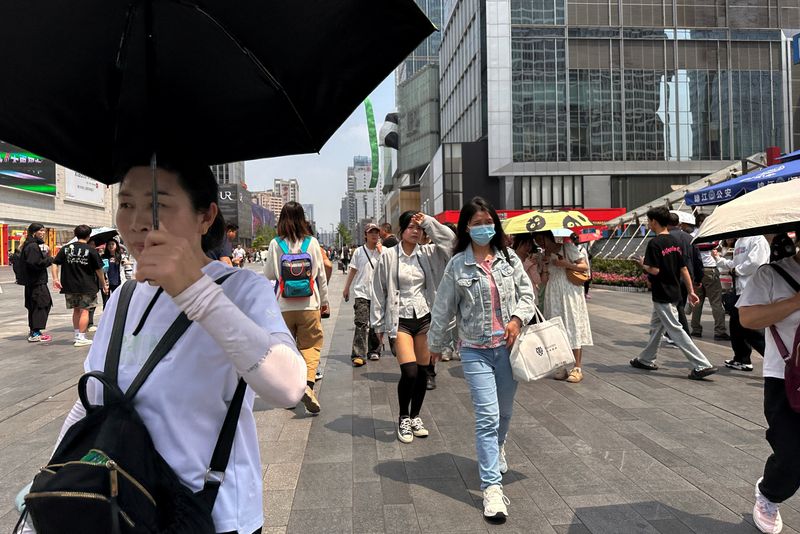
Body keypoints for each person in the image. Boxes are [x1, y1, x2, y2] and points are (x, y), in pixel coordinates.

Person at [18, 161, 307, 534]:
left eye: (157, 205)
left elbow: (288, 387)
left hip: (210, 515)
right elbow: (90, 400)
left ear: (206, 217)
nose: (137, 221)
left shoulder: (241, 291)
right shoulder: (124, 296)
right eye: (126, 204)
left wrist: (195, 291)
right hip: (124, 511)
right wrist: (47, 494)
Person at [428, 197, 535, 521]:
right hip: (474, 350)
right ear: (466, 227)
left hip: (507, 349)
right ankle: (492, 488)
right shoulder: (457, 264)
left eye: (487, 221)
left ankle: (498, 446)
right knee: (487, 417)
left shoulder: (508, 259)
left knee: (504, 413)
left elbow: (527, 294)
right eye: (476, 223)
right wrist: (434, 345)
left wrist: (516, 319)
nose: (483, 228)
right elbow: (444, 306)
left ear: (495, 224)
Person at [371, 210, 455, 443]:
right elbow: (379, 291)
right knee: (409, 372)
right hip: (400, 319)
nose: (415, 231)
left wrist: (428, 221)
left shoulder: (428, 254)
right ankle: (403, 417)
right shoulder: (388, 256)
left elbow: (450, 241)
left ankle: (416, 416)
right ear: (401, 230)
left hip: (425, 318)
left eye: (419, 228)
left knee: (422, 372)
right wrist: (377, 325)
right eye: (410, 227)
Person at [738, 239, 800, 534]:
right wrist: (796, 301)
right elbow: (747, 318)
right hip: (786, 377)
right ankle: (769, 493)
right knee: (791, 454)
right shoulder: (771, 274)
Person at [630, 207, 718, 379]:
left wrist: (642, 264)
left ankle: (701, 365)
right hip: (675, 291)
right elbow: (683, 268)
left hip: (662, 293)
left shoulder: (655, 243)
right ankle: (645, 359)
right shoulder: (674, 242)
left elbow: (654, 270)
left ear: (654, 222)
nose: (648, 224)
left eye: (648, 221)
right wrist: (691, 291)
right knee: (656, 328)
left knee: (675, 329)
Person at [264, 201, 329, 414]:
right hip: (309, 305)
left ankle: (291, 392)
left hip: (284, 306)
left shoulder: (275, 244)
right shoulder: (312, 243)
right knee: (310, 347)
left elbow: (270, 275)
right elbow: (320, 276)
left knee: (287, 351)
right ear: (303, 220)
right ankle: (308, 386)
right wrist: (325, 302)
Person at [534, 231, 593, 383]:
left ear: (548, 237)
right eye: (536, 240)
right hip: (553, 294)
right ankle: (560, 366)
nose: (540, 243)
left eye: (541, 239)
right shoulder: (542, 255)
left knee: (573, 325)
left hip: (570, 292)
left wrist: (564, 264)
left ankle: (577, 367)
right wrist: (546, 266)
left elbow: (584, 267)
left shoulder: (567, 247)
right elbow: (543, 280)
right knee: (555, 329)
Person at [713, 236, 770, 371]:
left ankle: (778, 361)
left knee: (750, 327)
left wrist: (736, 270)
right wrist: (719, 260)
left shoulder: (757, 239)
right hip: (740, 289)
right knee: (736, 325)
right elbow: (735, 263)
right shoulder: (739, 241)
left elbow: (756, 263)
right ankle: (741, 358)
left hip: (754, 288)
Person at [51, 225, 108, 347]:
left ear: (75, 234)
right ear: (89, 235)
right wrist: (104, 284)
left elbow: (55, 263)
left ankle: (77, 335)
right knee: (85, 311)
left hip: (69, 285)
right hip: (87, 285)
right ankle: (81, 337)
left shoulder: (66, 249)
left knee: (76, 310)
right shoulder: (91, 250)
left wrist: (55, 278)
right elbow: (99, 270)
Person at [343, 223, 383, 366]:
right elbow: (353, 270)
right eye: (371, 232)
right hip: (362, 292)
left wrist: (382, 252)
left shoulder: (384, 251)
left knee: (375, 323)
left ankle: (374, 350)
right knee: (361, 323)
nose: (374, 235)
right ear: (365, 235)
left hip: (378, 294)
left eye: (376, 232)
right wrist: (346, 287)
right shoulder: (359, 252)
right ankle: (358, 354)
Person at [690, 213, 730, 341]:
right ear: (703, 222)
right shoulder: (708, 235)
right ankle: (720, 331)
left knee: (697, 302)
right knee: (716, 302)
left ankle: (695, 329)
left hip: (696, 272)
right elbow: (715, 243)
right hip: (710, 271)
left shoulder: (691, 236)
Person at [668, 212, 703, 335]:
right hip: (688, 277)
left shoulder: (666, 238)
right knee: (678, 304)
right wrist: (698, 279)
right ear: (679, 223)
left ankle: (683, 333)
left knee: (676, 306)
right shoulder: (689, 238)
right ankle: (671, 332)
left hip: (672, 277)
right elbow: (698, 259)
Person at [19, 223, 54, 342]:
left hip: (33, 282)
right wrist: (50, 259)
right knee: (42, 304)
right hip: (36, 282)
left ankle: (35, 330)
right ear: (34, 232)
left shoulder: (30, 245)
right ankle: (35, 332)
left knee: (36, 305)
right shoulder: (32, 246)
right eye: (41, 231)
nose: (43, 233)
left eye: (44, 231)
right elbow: (35, 264)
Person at [100, 238, 123, 308]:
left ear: (116, 246)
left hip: (117, 282)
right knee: (106, 302)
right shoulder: (103, 257)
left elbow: (125, 269)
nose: (111, 246)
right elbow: (100, 270)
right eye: (109, 244)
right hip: (106, 282)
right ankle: (106, 318)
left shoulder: (120, 257)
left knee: (117, 302)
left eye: (113, 244)